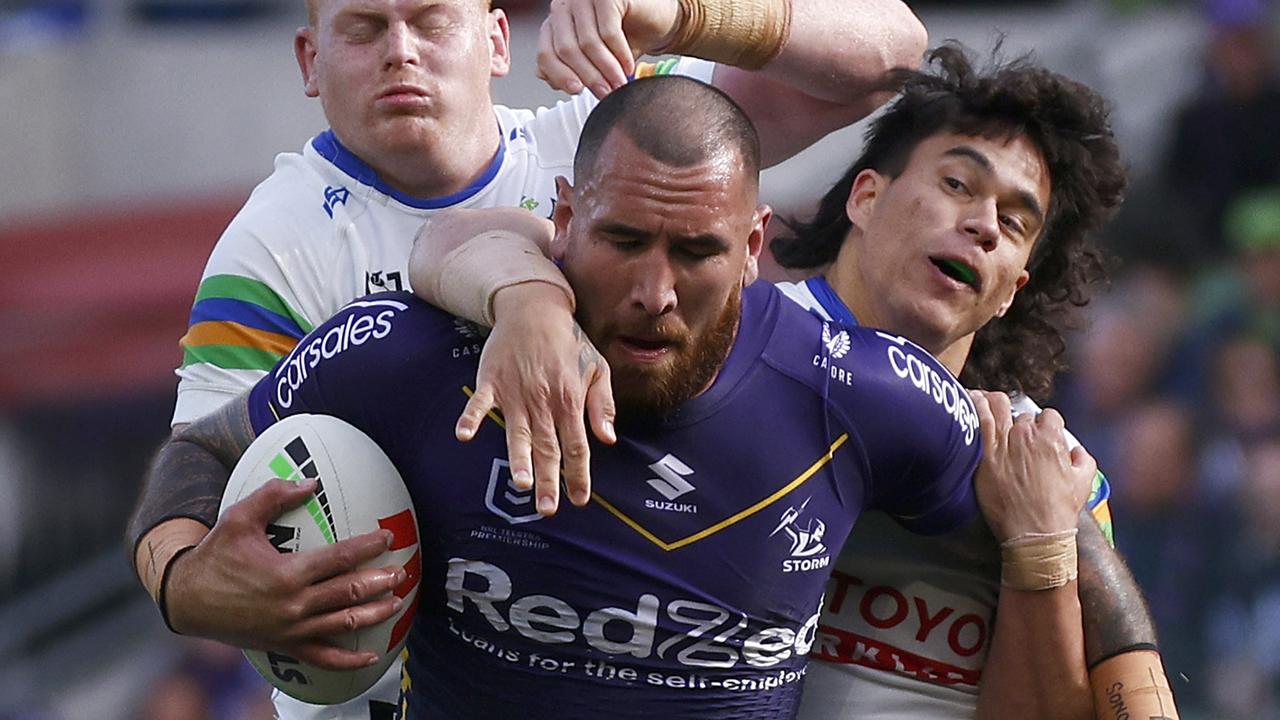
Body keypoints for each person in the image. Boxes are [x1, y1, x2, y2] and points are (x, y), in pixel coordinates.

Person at [129, 76, 1089, 718]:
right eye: (625, 241)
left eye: (698, 252)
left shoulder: (861, 390)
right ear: (562, 218)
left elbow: (1066, 536)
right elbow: (204, 448)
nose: (655, 293)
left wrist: (1060, 551)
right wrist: (182, 578)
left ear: (753, 246)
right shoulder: (412, 355)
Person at [407, 45, 1178, 718]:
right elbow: (467, 234)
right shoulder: (694, 340)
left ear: (1013, 285)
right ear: (866, 196)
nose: (982, 222)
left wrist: (1040, 544)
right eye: (957, 184)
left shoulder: (1044, 471)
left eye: (1013, 222)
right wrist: (529, 297)